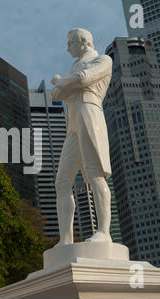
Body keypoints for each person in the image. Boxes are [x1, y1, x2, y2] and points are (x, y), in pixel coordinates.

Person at [51, 28, 113, 246]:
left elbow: (84, 79)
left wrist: (62, 80)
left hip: (89, 113)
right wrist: (67, 82)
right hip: (73, 122)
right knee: (62, 182)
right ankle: (65, 240)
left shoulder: (103, 60)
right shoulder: (74, 66)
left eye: (70, 43)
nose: (68, 48)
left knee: (96, 174)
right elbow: (57, 94)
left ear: (83, 42)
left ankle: (104, 232)